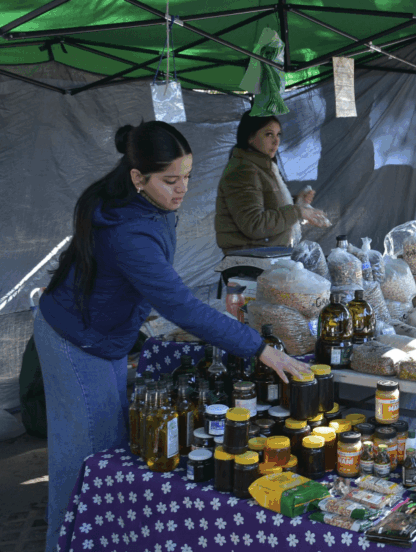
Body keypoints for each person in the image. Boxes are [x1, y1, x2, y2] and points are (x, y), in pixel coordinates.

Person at [34, 121, 313, 552]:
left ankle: (100, 539)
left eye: (187, 176)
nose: (182, 188)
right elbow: (181, 306)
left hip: (103, 336)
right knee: (86, 460)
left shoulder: (145, 205)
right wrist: (258, 349)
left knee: (109, 445)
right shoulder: (128, 230)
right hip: (74, 339)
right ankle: (65, 542)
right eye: (170, 180)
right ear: (137, 178)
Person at [214, 112, 329, 254]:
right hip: (250, 262)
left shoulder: (262, 166)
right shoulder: (243, 171)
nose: (276, 141)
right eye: (269, 134)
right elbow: (254, 224)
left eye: (278, 135)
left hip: (265, 256)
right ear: (250, 137)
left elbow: (264, 205)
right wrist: (298, 212)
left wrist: (296, 201)